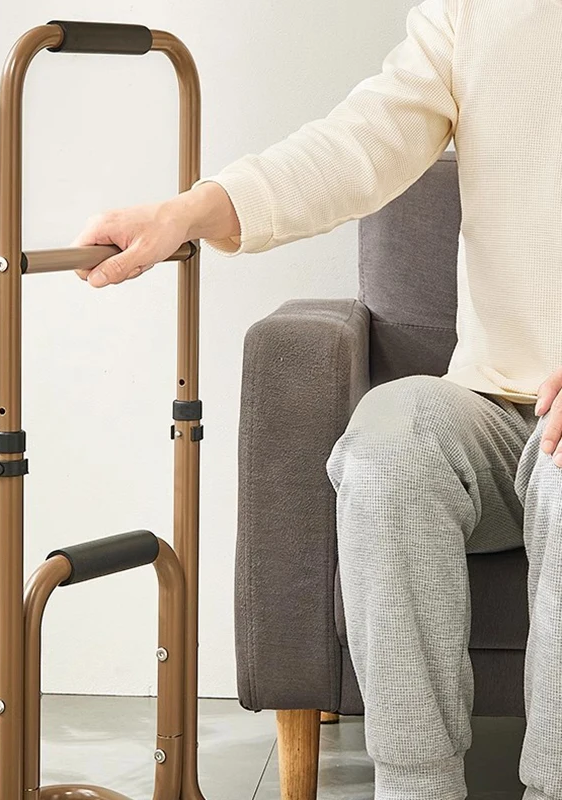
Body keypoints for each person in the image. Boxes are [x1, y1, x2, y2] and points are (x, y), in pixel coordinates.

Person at [71, 1, 562, 799]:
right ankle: (415, 787)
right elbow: (358, 141)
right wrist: (190, 210)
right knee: (388, 451)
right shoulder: (474, 12)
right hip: (494, 405)